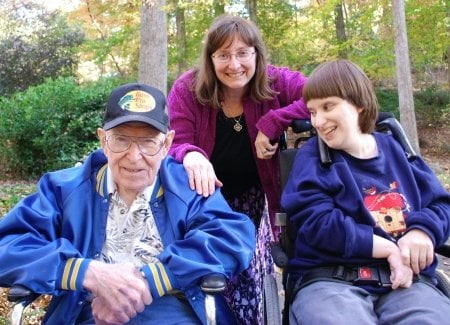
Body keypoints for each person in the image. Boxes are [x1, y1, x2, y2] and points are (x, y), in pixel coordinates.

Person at [0, 83, 256, 324]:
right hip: (85, 312)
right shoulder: (63, 189)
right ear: (103, 140)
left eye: (148, 142)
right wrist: (89, 273)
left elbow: (232, 236)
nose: (134, 157)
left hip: (174, 311)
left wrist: (149, 280)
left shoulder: (188, 186)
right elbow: (8, 246)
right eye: (121, 139)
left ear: (167, 143)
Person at [281, 59, 450, 324]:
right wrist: (390, 249)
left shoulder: (397, 149)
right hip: (332, 281)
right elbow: (315, 223)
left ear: (358, 103)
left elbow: (440, 203)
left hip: (407, 281)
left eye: (328, 107)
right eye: (313, 112)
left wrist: (421, 232)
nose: (318, 121)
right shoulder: (312, 158)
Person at [167, 14, 309, 323]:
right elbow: (175, 140)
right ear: (210, 59)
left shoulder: (277, 82)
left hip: (254, 199)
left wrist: (274, 121)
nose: (234, 64)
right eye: (223, 55)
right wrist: (191, 154)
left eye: (243, 52)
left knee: (248, 271)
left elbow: (324, 95)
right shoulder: (187, 90)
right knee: (207, 275)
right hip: (202, 200)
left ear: (257, 53)